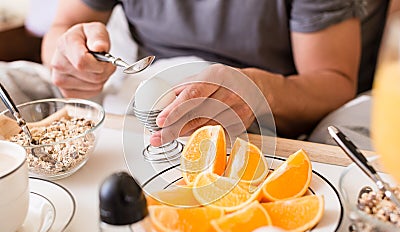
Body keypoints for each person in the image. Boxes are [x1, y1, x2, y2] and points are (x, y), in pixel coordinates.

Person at [41, 0, 389, 147]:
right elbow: (64, 25)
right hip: (149, 108)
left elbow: (333, 81)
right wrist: (69, 56)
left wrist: (258, 91)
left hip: (278, 117)